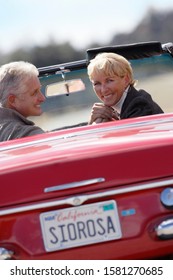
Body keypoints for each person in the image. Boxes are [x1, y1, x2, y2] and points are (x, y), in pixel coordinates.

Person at [87, 52, 164, 124]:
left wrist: (99, 125)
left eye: (109, 81)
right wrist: (92, 120)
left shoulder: (139, 104)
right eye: (97, 83)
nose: (103, 90)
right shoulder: (116, 105)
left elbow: (131, 136)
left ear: (126, 80)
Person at [0, 61, 46, 141]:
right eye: (34, 92)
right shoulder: (29, 135)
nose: (42, 98)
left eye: (39, 90)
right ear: (13, 100)